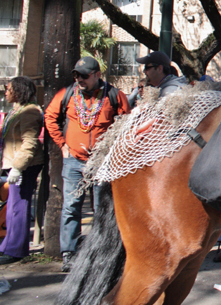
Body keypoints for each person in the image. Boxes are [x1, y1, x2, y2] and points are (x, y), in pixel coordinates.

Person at [44, 56, 131, 272]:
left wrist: (115, 151)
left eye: (84, 75)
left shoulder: (114, 95)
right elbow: (50, 116)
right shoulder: (67, 94)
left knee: (101, 209)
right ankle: (69, 254)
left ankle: (99, 252)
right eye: (76, 75)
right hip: (74, 161)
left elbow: (128, 123)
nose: (79, 79)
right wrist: (63, 145)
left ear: (97, 75)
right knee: (71, 207)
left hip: (102, 163)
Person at [0, 77, 44, 265]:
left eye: (8, 89)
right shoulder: (18, 110)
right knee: (13, 207)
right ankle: (9, 246)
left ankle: (16, 250)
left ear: (19, 91)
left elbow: (30, 143)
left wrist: (17, 167)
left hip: (24, 166)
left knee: (18, 207)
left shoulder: (30, 112)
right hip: (14, 163)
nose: (5, 92)